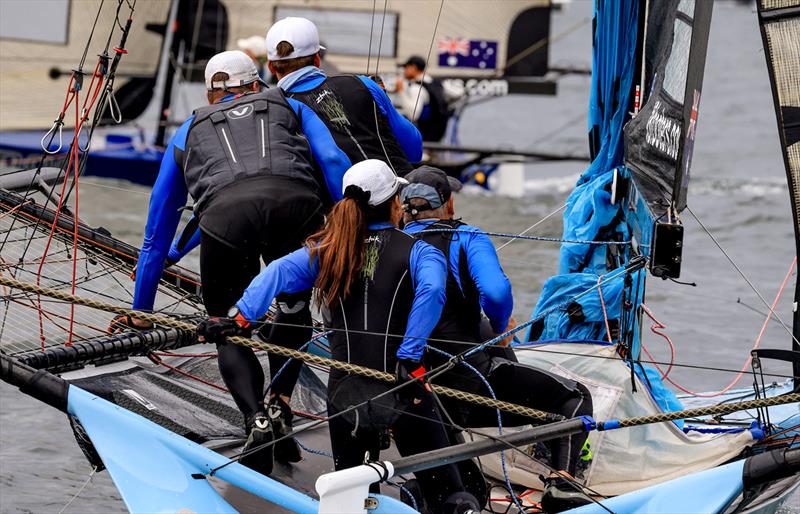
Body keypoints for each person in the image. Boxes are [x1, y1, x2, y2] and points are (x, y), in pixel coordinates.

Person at [110, 50, 352, 476]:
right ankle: (279, 406)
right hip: (296, 210)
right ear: (256, 84)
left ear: (208, 93)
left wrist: (142, 311)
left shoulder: (188, 129)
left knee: (227, 325)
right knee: (294, 309)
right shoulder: (288, 104)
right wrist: (349, 223)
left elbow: (157, 228)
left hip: (225, 219)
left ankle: (254, 418)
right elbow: (333, 162)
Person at [209, 159, 480, 513]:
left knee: (351, 499)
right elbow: (432, 291)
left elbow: (275, 272)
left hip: (344, 397)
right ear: (395, 202)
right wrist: (410, 357)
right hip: (403, 390)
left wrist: (241, 319)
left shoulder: (328, 251)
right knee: (454, 497)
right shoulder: (419, 250)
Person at [401, 166, 595, 512]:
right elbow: (495, 291)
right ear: (447, 203)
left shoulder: (390, 244)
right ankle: (562, 482)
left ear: (403, 207)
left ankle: (426, 491)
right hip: (472, 390)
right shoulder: (466, 237)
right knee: (575, 399)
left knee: (470, 488)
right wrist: (502, 321)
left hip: (413, 396)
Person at [265, 17, 422, 175]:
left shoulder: (280, 109)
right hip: (402, 194)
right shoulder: (365, 84)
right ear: (317, 59)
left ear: (271, 67)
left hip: (342, 199)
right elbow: (414, 150)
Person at [394, 55, 452, 142]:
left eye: (406, 67)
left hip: (425, 139)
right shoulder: (436, 83)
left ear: (413, 67)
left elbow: (413, 114)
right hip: (439, 136)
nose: (404, 71)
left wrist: (401, 91)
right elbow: (456, 94)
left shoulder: (417, 87)